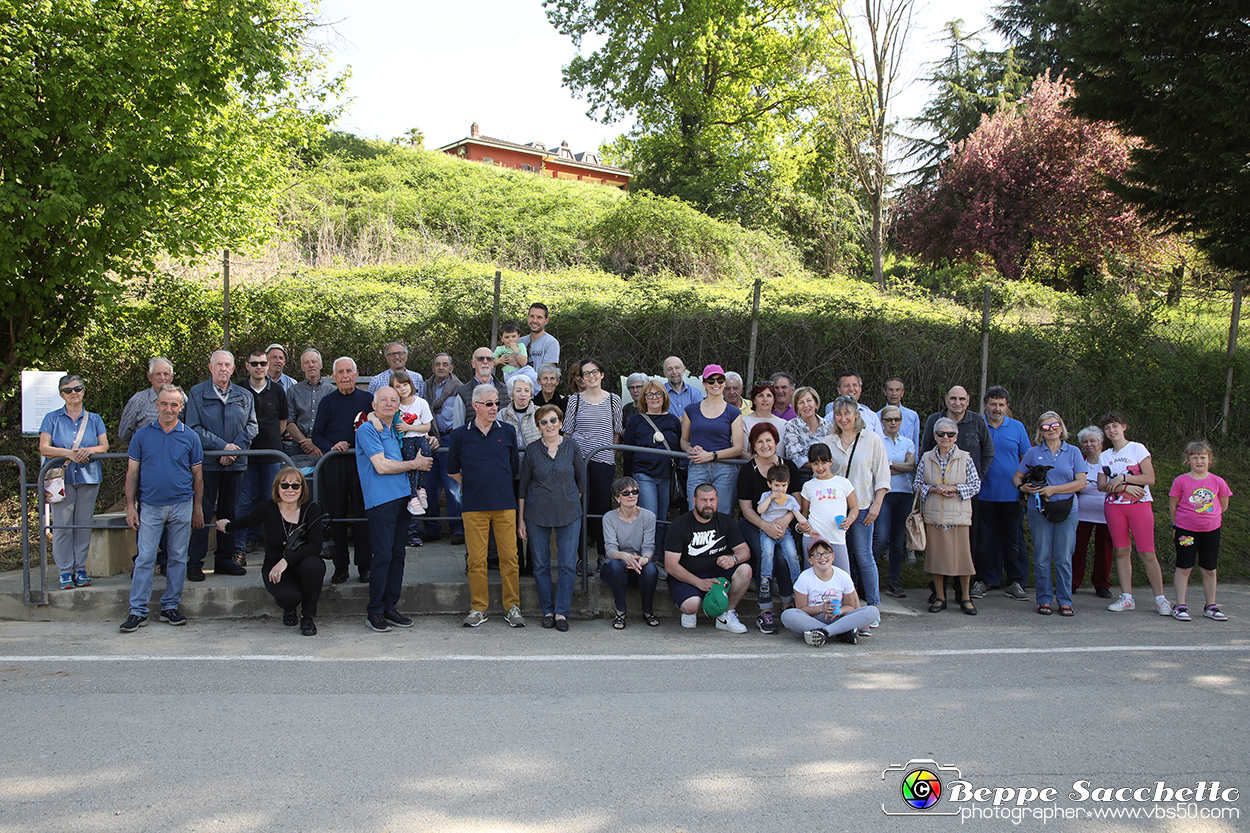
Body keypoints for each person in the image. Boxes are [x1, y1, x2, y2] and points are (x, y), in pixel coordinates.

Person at [121, 386, 203, 632]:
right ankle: (137, 611)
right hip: (150, 506)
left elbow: (197, 476)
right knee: (145, 558)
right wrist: (130, 507)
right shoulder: (142, 436)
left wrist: (197, 508)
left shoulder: (190, 437)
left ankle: (170, 606)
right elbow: (132, 473)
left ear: (181, 407)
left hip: (182, 505)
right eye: (164, 404)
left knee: (178, 558)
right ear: (157, 404)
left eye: (174, 405)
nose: (169, 409)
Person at [448, 384, 526, 629]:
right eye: (489, 404)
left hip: (504, 504)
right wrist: (473, 483)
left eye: (496, 403)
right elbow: (452, 470)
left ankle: (512, 607)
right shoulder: (459, 435)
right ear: (475, 406)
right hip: (474, 506)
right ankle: (478, 608)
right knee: (476, 560)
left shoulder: (508, 431)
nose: (494, 408)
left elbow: (513, 468)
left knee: (510, 558)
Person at [356, 386, 432, 632]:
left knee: (398, 555)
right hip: (380, 502)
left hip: (402, 498)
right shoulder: (369, 429)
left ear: (399, 404)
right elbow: (381, 466)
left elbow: (420, 431)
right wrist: (415, 464)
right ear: (374, 405)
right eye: (384, 400)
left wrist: (429, 439)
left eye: (393, 400)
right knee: (383, 557)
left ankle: (390, 606)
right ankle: (375, 611)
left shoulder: (394, 429)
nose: (389, 404)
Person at [215, 468, 325, 636]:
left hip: (301, 562)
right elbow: (247, 520)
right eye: (285, 485)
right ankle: (290, 608)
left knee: (314, 566)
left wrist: (286, 560)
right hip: (274, 565)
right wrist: (227, 526)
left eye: (296, 486)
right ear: (277, 488)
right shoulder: (267, 508)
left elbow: (315, 546)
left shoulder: (311, 509)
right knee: (290, 597)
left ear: (302, 488)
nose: (290, 490)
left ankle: (307, 617)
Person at [185, 350, 257, 580]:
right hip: (207, 464)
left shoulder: (245, 395)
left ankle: (225, 560)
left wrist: (233, 450)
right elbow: (194, 428)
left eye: (227, 365)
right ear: (210, 367)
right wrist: (221, 448)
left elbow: (252, 427)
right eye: (219, 365)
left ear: (234, 368)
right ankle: (195, 562)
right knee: (203, 513)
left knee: (230, 513)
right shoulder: (197, 393)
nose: (223, 369)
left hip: (236, 464)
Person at [518, 403, 585, 631]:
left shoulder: (572, 447)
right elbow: (523, 487)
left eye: (553, 420)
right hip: (536, 513)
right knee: (540, 565)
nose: (549, 425)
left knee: (567, 565)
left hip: (569, 513)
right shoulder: (532, 450)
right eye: (544, 422)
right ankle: (546, 610)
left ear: (560, 422)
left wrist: (566, 498)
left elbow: (581, 481)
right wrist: (521, 520)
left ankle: (561, 613)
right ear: (538, 427)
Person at [39, 374, 109, 589]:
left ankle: (80, 568)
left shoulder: (95, 419)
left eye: (77, 389)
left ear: (83, 391)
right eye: (68, 390)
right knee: (62, 527)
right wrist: (69, 454)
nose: (74, 394)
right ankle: (64, 571)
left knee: (83, 526)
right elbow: (44, 447)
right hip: (61, 478)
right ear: (62, 394)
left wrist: (88, 451)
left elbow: (104, 446)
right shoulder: (51, 418)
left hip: (88, 477)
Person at [1013, 411, 1085, 617]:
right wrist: (1023, 488)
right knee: (1042, 556)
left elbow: (1082, 482)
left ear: (1061, 428)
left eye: (1055, 426)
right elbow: (1017, 477)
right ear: (1040, 431)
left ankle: (1064, 599)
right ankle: (1044, 599)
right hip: (1039, 511)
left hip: (1067, 509)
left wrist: (1055, 490)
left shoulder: (1073, 452)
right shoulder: (1033, 453)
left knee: (1063, 557)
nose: (1051, 430)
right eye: (1045, 427)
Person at [1097, 412, 1170, 615]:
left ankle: (1161, 599)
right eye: (1107, 428)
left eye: (1115, 426)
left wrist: (1122, 478)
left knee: (1147, 552)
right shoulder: (1105, 455)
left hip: (1140, 506)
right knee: (1121, 551)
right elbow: (1103, 485)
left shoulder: (1137, 448)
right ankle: (1127, 597)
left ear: (1124, 427)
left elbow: (1149, 478)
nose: (1112, 431)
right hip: (1114, 507)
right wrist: (1123, 488)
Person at [311, 357, 374, 584]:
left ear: (356, 375)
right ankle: (340, 567)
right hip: (335, 463)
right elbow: (317, 434)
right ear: (334, 376)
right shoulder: (327, 402)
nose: (345, 376)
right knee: (336, 515)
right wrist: (332, 446)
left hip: (362, 464)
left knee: (362, 514)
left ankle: (365, 566)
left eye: (349, 371)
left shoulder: (368, 400)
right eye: (340, 372)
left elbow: (378, 428)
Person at [736, 423, 803, 633]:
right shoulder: (748, 471)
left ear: (776, 442)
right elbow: (746, 508)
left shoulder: (788, 467)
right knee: (767, 554)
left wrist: (783, 522)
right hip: (755, 523)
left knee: (784, 558)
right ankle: (764, 611)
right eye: (759, 442)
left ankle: (787, 605)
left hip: (784, 524)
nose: (765, 445)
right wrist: (766, 526)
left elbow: (797, 501)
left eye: (769, 440)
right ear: (753, 446)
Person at [827, 395, 889, 614]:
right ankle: (847, 604)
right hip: (835, 509)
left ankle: (873, 605)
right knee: (840, 557)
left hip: (863, 506)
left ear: (856, 414)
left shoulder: (871, 439)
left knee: (864, 555)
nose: (843, 418)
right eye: (839, 414)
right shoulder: (829, 441)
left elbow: (882, 475)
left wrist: (877, 504)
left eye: (847, 413)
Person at [663, 484, 752, 633]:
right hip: (689, 576)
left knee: (745, 570)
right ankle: (690, 611)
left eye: (712, 500)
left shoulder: (725, 521)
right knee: (691, 605)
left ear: (717, 500)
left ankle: (725, 615)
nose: (708, 505)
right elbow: (670, 565)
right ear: (694, 500)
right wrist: (699, 583)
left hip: (718, 574)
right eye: (704, 500)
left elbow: (744, 550)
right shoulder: (680, 524)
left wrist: (734, 559)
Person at [916, 417, 981, 615]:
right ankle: (940, 597)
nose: (946, 437)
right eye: (941, 434)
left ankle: (966, 598)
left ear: (956, 437)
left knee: (963, 560)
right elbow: (917, 484)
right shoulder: (926, 457)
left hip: (958, 516)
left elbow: (976, 485)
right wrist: (934, 490)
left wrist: (954, 488)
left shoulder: (965, 457)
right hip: (934, 516)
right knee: (936, 560)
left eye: (950, 434)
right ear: (935, 436)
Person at [976, 386, 1032, 600]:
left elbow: (1027, 459)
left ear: (1007, 406)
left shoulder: (1017, 427)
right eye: (993, 404)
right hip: (983, 493)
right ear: (985, 405)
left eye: (1001, 404)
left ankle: (1016, 581)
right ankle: (984, 580)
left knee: (1013, 540)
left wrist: (1025, 488)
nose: (997, 409)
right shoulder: (978, 425)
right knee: (983, 541)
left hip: (1012, 495)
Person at [365, 371, 435, 543]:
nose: (402, 389)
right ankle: (412, 496)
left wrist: (410, 428)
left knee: (426, 453)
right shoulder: (395, 406)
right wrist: (373, 419)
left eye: (404, 385)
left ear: (411, 384)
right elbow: (374, 412)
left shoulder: (420, 403)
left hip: (418, 438)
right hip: (404, 442)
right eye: (397, 386)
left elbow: (427, 426)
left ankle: (421, 488)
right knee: (411, 462)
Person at [563, 357, 622, 556]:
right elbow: (567, 433)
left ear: (602, 374)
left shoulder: (614, 400)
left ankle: (604, 554)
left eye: (594, 371)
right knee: (580, 506)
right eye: (586, 373)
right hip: (578, 462)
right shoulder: (574, 400)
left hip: (603, 461)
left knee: (601, 506)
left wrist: (609, 453)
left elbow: (616, 431)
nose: (591, 376)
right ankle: (580, 557)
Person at [234, 348, 289, 562]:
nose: (259, 367)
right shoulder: (238, 390)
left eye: (262, 363)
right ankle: (239, 548)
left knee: (271, 501)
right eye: (254, 363)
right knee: (244, 502)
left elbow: (283, 422)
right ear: (246, 365)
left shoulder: (277, 391)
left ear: (268, 366)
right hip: (244, 455)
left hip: (271, 455)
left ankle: (272, 549)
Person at [1168, 440, 1232, 622]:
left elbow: (1223, 505)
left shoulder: (1218, 481)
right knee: (1184, 567)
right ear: (1188, 460)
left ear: (1209, 459)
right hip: (1186, 531)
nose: (1199, 461)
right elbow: (1173, 506)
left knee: (1209, 568)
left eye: (1203, 457)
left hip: (1211, 531)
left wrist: (1209, 519)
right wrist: (1175, 526)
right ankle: (1180, 605)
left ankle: (1210, 606)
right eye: (1194, 457)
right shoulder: (1180, 481)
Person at [781, 538, 879, 646]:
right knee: (788, 615)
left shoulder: (843, 576)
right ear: (810, 560)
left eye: (826, 553)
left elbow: (850, 606)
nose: (822, 558)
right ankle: (840, 632)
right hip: (813, 619)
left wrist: (839, 611)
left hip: (839, 618)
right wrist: (821, 608)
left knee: (872, 611)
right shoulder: (804, 577)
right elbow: (801, 609)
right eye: (817, 555)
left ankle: (824, 632)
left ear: (833, 556)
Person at [621, 378, 681, 539]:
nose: (654, 398)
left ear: (664, 397)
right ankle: (647, 555)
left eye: (658, 393)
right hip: (644, 475)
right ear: (644, 399)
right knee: (650, 517)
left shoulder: (673, 420)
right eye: (650, 394)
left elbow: (680, 447)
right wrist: (628, 478)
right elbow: (628, 451)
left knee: (661, 519)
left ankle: (657, 554)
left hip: (667, 476)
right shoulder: (636, 420)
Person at [680, 364, 742, 514]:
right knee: (696, 511)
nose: (716, 384)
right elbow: (684, 440)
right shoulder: (691, 409)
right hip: (698, 466)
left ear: (725, 383)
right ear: (704, 383)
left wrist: (712, 455)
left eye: (720, 380)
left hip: (725, 468)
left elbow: (738, 447)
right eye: (711, 380)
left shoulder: (733, 412)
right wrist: (691, 450)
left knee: (722, 513)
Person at [600, 477, 660, 629]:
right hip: (617, 565)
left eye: (634, 492)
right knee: (615, 565)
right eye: (625, 493)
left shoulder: (649, 516)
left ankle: (647, 610)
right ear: (617, 498)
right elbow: (610, 549)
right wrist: (624, 556)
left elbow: (648, 546)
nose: (631, 496)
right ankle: (620, 611)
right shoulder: (609, 517)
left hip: (639, 564)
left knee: (651, 569)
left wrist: (644, 559)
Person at [754, 465, 807, 624]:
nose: (780, 489)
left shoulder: (789, 499)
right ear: (769, 484)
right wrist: (770, 497)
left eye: (783, 485)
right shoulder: (766, 495)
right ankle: (766, 580)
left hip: (784, 533)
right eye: (777, 485)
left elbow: (798, 515)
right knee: (767, 554)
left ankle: (797, 581)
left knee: (791, 554)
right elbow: (759, 510)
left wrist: (807, 525)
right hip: (767, 532)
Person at [423, 353, 465, 544]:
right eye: (437, 364)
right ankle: (432, 528)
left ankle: (458, 528)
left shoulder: (459, 388)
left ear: (451, 368)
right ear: (433, 367)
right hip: (430, 439)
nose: (441, 367)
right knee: (429, 486)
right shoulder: (425, 387)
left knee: (453, 486)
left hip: (449, 439)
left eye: (445, 364)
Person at [875, 405, 916, 599]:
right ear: (882, 421)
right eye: (889, 419)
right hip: (884, 493)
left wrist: (890, 464)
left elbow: (912, 466)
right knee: (881, 537)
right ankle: (869, 578)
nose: (893, 423)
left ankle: (894, 580)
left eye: (897, 419)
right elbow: (878, 468)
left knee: (898, 540)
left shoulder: (907, 442)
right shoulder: (876, 441)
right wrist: (900, 466)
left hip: (905, 494)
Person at [797, 444, 857, 573]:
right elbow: (805, 513)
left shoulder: (844, 483)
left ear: (831, 462)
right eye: (815, 463)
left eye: (823, 462)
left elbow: (854, 508)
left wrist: (850, 519)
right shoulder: (808, 486)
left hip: (837, 537)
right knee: (812, 576)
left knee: (843, 575)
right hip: (813, 538)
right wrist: (801, 527)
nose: (819, 467)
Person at [1072, 426, 1114, 599]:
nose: (1089, 445)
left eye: (1092, 441)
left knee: (1104, 550)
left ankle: (1101, 584)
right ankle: (1072, 582)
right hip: (1081, 513)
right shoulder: (1078, 461)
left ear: (1101, 442)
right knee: (1076, 548)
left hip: (1107, 513)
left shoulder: (1111, 460)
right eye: (1085, 442)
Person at [285, 349, 336, 462]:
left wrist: (316, 442)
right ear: (302, 367)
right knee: (300, 479)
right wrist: (306, 443)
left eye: (314, 361)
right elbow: (289, 422)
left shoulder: (332, 391)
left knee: (324, 479)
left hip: (324, 446)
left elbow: (334, 422)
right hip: (299, 447)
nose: (311, 365)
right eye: (306, 362)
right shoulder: (293, 391)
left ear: (321, 365)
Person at [782, 386, 836, 485]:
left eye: (809, 400)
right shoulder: (791, 426)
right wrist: (822, 464)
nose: (806, 405)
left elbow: (834, 453)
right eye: (801, 402)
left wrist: (817, 464)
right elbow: (795, 458)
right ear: (796, 407)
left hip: (826, 478)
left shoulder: (828, 426)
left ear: (816, 403)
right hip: (802, 478)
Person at [117, 357, 174, 444]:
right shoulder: (137, 400)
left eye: (166, 374)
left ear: (171, 377)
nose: (162, 378)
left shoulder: (181, 399)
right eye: (158, 374)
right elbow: (124, 434)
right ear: (149, 376)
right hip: (144, 455)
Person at [453, 347, 510, 425]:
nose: (485, 361)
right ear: (473, 363)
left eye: (489, 359)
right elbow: (457, 429)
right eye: (480, 358)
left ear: (493, 363)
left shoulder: (506, 390)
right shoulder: (463, 393)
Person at [824, 371, 884, 436]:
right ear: (839, 390)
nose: (851, 389)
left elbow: (881, 444)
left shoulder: (871, 416)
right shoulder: (829, 418)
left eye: (855, 385)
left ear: (860, 389)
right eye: (846, 386)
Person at [740, 381, 786, 458]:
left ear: (774, 399)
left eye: (769, 396)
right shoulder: (744, 422)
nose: (765, 399)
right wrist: (763, 460)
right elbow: (741, 454)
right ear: (754, 400)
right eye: (760, 395)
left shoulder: (783, 424)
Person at [879, 377, 920, 451]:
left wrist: (915, 460)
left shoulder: (912, 416)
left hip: (908, 459)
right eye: (891, 390)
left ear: (902, 393)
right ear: (885, 392)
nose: (894, 394)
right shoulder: (876, 416)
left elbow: (915, 442)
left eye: (897, 390)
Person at [519, 302, 561, 372]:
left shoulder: (551, 343)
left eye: (539, 317)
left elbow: (547, 375)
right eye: (532, 316)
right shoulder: (519, 342)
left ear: (546, 321)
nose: (534, 321)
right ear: (528, 317)